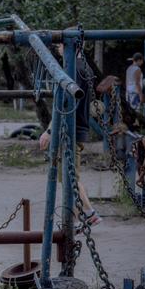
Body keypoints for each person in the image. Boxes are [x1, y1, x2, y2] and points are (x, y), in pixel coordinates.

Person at [38, 41, 101, 227]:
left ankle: (89, 213)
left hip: (70, 130)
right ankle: (74, 219)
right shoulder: (85, 68)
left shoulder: (73, 69)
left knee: (70, 176)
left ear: (69, 46)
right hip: (79, 128)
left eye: (59, 45)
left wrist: (49, 131)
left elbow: (64, 104)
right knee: (69, 176)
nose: (58, 49)